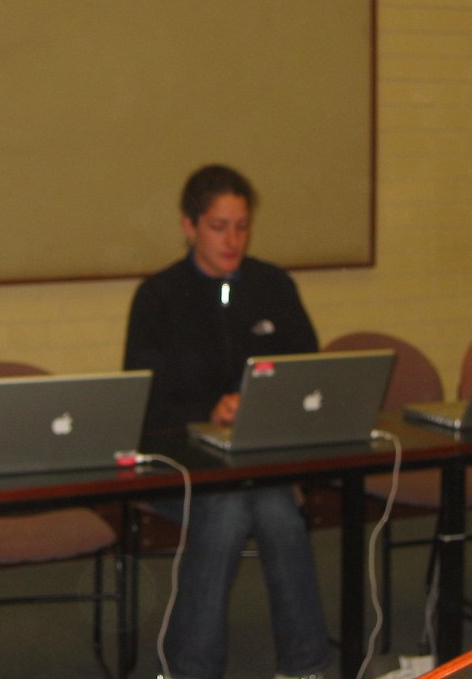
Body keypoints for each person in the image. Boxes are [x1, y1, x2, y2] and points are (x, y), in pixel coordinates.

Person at [123, 164, 330, 679]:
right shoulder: (158, 297)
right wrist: (206, 412)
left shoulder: (272, 285)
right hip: (181, 462)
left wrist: (264, 405)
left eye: (241, 226)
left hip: (257, 460)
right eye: (219, 227)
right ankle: (195, 670)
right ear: (189, 226)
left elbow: (308, 378)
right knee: (231, 511)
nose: (233, 240)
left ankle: (304, 669)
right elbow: (143, 405)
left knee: (274, 510)